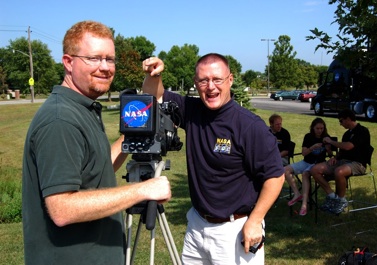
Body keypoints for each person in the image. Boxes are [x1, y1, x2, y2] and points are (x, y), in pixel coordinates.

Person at [22, 21, 171, 265]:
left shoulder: (83, 108)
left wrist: (129, 137)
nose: (104, 67)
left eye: (109, 59)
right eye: (94, 58)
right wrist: (143, 190)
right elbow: (62, 208)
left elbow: (97, 169)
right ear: (68, 62)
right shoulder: (61, 120)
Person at [142, 53, 285, 264]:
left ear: (230, 80)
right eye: (203, 80)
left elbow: (275, 176)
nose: (211, 87)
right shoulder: (192, 111)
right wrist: (155, 75)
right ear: (195, 83)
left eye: (217, 79)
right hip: (197, 225)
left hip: (235, 230)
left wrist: (255, 221)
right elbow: (153, 97)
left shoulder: (249, 126)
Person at [310, 109, 371, 215]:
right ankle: (332, 197)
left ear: (348, 119)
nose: (340, 124)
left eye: (341, 121)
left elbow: (348, 146)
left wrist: (331, 141)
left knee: (339, 171)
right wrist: (336, 158)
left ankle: (341, 201)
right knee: (315, 169)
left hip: (358, 163)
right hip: (343, 161)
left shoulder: (362, 131)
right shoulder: (347, 134)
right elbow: (342, 151)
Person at [285, 118, 332, 216]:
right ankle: (297, 193)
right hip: (306, 162)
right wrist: (312, 148)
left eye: (322, 128)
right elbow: (304, 153)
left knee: (306, 174)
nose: (320, 131)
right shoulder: (308, 137)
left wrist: (328, 149)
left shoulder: (326, 137)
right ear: (313, 128)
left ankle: (304, 205)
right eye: (317, 128)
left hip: (318, 164)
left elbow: (331, 154)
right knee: (285, 170)